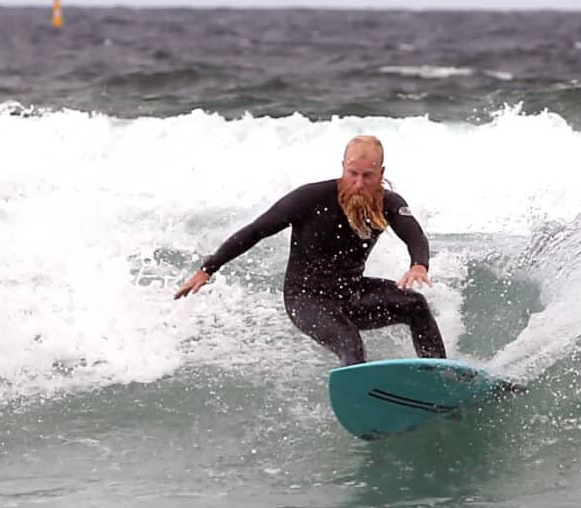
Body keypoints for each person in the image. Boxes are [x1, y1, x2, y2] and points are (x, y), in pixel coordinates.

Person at [173, 135, 447, 367]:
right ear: (343, 167)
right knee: (349, 341)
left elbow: (414, 235)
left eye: (368, 176)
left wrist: (419, 265)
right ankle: (360, 403)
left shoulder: (388, 202)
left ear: (381, 174)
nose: (359, 183)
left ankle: (439, 377)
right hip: (306, 299)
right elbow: (257, 230)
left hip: (351, 292)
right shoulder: (311, 198)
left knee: (416, 305)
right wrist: (208, 268)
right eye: (353, 174)